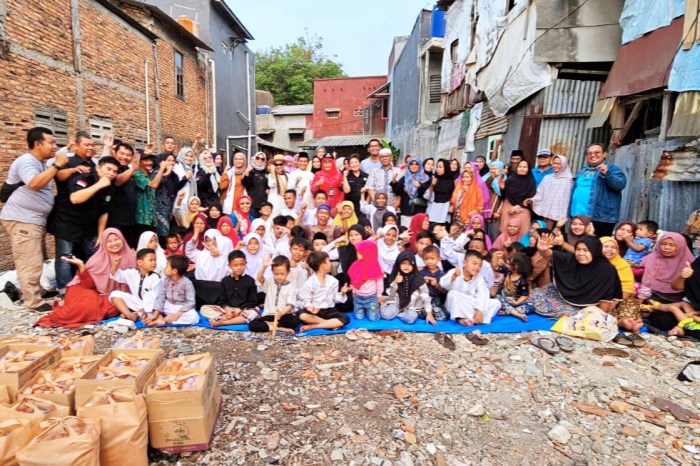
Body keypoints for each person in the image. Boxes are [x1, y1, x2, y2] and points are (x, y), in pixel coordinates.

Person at [1, 127, 64, 311]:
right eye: (51, 142)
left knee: (36, 258)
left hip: (33, 220)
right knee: (29, 260)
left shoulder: (41, 162)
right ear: (38, 144)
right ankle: (33, 301)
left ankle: (38, 292)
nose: (54, 146)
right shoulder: (26, 162)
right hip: (22, 219)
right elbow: (35, 183)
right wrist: (57, 165)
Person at [35, 228, 136, 328]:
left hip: (109, 295)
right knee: (88, 304)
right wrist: (81, 266)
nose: (114, 243)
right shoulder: (97, 259)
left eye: (116, 239)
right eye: (109, 241)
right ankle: (62, 315)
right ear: (104, 244)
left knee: (113, 306)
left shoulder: (132, 257)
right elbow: (87, 284)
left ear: (122, 239)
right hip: (84, 288)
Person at [49, 154, 120, 290]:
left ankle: (97, 284)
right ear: (98, 168)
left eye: (115, 171)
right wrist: (99, 185)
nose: (111, 173)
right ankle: (65, 290)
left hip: (88, 224)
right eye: (108, 169)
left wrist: (100, 235)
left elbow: (104, 212)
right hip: (67, 221)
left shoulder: (110, 186)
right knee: (66, 256)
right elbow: (75, 198)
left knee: (95, 252)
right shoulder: (85, 178)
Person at [531, 234, 622, 318]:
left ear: (595, 250)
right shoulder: (571, 259)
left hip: (588, 306)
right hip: (563, 297)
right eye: (578, 249)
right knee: (534, 296)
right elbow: (550, 254)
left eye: (586, 250)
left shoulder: (607, 270)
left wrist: (601, 319)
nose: (580, 253)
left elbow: (606, 298)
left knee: (577, 315)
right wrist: (542, 249)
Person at [570, 143, 627, 236]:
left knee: (598, 247)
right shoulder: (583, 170)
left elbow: (620, 185)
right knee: (580, 247)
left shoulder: (612, 169)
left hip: (600, 218)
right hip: (578, 217)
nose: (593, 155)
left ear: (605, 154)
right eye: (590, 153)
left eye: (597, 152)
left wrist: (607, 173)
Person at [440, 251, 500, 326]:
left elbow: (483, 294)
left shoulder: (479, 278)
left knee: (496, 303)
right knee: (453, 294)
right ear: (464, 263)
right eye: (474, 264)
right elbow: (443, 284)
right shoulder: (455, 272)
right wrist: (454, 277)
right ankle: (463, 318)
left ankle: (472, 318)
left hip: (470, 304)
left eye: (480, 265)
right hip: (455, 304)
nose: (477, 267)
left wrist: (480, 310)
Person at [297, 251, 351, 332]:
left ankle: (313, 326)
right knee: (302, 316)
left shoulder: (333, 280)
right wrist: (310, 308)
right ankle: (329, 324)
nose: (330, 263)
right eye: (328, 261)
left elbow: (335, 299)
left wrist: (342, 293)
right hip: (315, 312)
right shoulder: (310, 282)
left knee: (345, 319)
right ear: (322, 265)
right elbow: (305, 299)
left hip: (329, 311)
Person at [639, 232, 695, 303]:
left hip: (681, 300)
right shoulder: (651, 259)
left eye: (672, 245)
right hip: (652, 296)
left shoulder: (690, 263)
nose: (667, 248)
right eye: (663, 244)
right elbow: (646, 284)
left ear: (681, 246)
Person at [108, 247, 161, 322]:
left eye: (155, 260)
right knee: (114, 294)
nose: (154, 263)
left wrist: (146, 308)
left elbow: (157, 297)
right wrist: (116, 264)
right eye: (151, 260)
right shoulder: (132, 273)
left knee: (151, 312)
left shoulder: (155, 277)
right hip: (136, 302)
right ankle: (129, 315)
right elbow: (116, 275)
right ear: (139, 262)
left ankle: (135, 314)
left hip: (149, 306)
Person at [382, 251, 435, 324]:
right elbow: (390, 294)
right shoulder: (395, 276)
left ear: (414, 266)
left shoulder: (418, 279)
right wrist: (395, 282)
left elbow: (425, 296)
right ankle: (396, 311)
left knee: (411, 318)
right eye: (403, 263)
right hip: (396, 303)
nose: (406, 266)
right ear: (399, 264)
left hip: (411, 307)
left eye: (409, 264)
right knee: (386, 315)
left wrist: (429, 313)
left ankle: (398, 314)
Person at [208, 250, 258, 327]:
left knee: (253, 314)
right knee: (204, 309)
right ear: (229, 265)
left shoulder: (250, 280)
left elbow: (253, 301)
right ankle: (230, 317)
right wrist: (227, 308)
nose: (239, 267)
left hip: (243, 310)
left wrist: (240, 309)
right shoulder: (225, 280)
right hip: (228, 310)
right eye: (235, 265)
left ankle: (223, 322)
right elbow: (222, 300)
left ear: (246, 264)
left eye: (242, 264)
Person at [252, 255, 300, 334]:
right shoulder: (270, 283)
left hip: (283, 315)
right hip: (269, 315)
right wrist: (264, 266)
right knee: (253, 324)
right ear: (273, 272)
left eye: (282, 274)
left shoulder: (291, 287)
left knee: (295, 321)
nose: (279, 277)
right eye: (276, 274)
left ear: (288, 272)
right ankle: (278, 328)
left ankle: (270, 325)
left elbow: (290, 305)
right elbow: (259, 278)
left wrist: (281, 313)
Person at [186, 229, 233, 305]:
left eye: (215, 245)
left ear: (223, 247)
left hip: (219, 299)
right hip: (201, 296)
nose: (211, 246)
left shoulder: (229, 263)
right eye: (211, 243)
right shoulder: (203, 255)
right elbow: (189, 251)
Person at [525, 155, 573, 227]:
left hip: (559, 218)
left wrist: (563, 217)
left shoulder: (569, 181)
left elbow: (567, 201)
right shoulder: (547, 178)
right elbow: (540, 194)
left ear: (564, 165)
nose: (555, 165)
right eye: (554, 163)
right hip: (545, 215)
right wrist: (532, 200)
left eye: (558, 164)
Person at [108, 142, 140, 248]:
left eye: (128, 155)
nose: (124, 157)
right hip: (115, 220)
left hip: (130, 220)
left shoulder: (128, 170)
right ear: (115, 153)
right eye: (122, 153)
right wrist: (133, 169)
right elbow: (117, 181)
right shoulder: (112, 168)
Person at [347, 240, 384, 320]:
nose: (357, 253)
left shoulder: (375, 267)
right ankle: (362, 311)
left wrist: (379, 295)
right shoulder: (356, 265)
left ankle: (374, 311)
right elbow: (353, 280)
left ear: (367, 252)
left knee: (373, 318)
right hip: (358, 297)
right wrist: (353, 291)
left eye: (359, 252)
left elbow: (379, 283)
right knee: (358, 316)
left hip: (372, 298)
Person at [498, 160, 535, 238]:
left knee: (522, 233)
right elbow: (504, 196)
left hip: (523, 209)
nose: (522, 169)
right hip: (509, 209)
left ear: (528, 169)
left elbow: (531, 198)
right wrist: (502, 189)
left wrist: (519, 206)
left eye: (524, 167)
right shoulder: (510, 179)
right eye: (520, 166)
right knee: (506, 231)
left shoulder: (531, 181)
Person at [391, 156, 429, 227]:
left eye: (416, 164)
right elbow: (397, 191)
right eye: (411, 164)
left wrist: (420, 186)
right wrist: (394, 181)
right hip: (406, 209)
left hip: (419, 210)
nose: (414, 166)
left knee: (419, 232)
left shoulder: (425, 178)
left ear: (420, 165)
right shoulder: (405, 178)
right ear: (408, 166)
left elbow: (427, 195)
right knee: (406, 232)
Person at [498, 252, 535, 322]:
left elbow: (525, 295)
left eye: (511, 264)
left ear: (517, 266)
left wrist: (517, 302)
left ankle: (508, 312)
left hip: (516, 302)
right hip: (505, 299)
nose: (509, 265)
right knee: (499, 300)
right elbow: (498, 267)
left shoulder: (522, 281)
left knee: (531, 306)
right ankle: (518, 314)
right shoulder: (507, 273)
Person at [450, 168, 484, 236]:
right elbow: (454, 202)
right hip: (458, 218)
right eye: (463, 177)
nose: (465, 179)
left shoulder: (477, 190)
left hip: (470, 219)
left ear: (472, 178)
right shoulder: (458, 187)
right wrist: (461, 192)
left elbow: (481, 205)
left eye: (467, 177)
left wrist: (475, 211)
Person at [419, 245, 449, 321]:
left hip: (436, 299)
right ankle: (426, 312)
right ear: (423, 259)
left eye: (432, 258)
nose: (429, 261)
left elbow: (445, 291)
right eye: (426, 259)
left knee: (444, 317)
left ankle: (432, 311)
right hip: (423, 299)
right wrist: (422, 281)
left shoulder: (442, 274)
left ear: (438, 259)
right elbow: (415, 287)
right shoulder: (421, 272)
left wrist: (436, 284)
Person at [426, 159, 456, 225]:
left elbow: (453, 196)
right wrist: (432, 185)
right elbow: (427, 196)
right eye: (437, 167)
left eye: (440, 167)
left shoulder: (451, 181)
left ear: (446, 168)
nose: (438, 169)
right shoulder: (434, 178)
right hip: (433, 208)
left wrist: (451, 206)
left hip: (445, 209)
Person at [242, 152, 269, 218]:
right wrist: (246, 173)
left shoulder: (266, 172)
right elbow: (246, 184)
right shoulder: (250, 171)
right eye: (257, 158)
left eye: (262, 159)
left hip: (263, 204)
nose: (260, 160)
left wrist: (269, 189)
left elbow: (268, 185)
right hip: (252, 204)